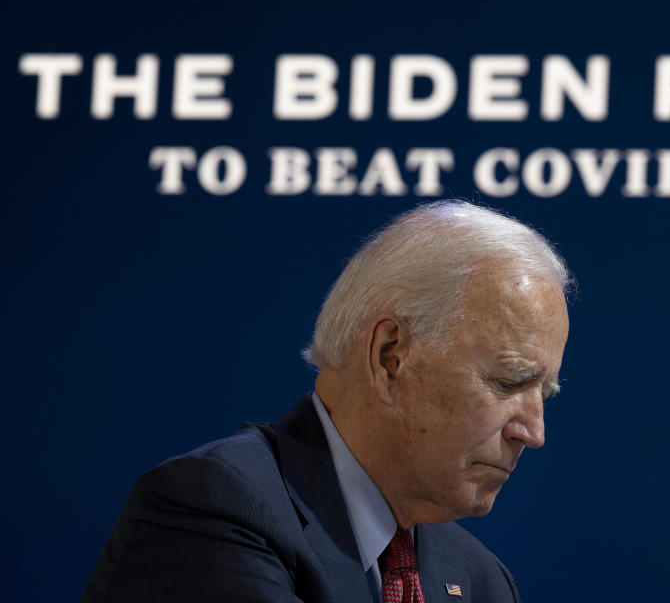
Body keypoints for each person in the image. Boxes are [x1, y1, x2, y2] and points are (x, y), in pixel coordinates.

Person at [82, 200, 573, 602]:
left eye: (545, 394)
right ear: (390, 356)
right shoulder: (216, 511)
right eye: (510, 381)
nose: (533, 432)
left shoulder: (482, 580)